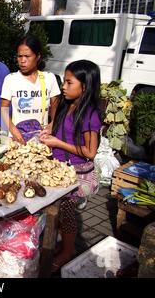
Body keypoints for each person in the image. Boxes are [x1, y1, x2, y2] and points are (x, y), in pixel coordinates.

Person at [39, 60, 102, 272]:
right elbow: (56, 126)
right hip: (59, 168)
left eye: (68, 82)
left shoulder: (89, 113)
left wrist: (58, 143)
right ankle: (57, 243)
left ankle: (68, 251)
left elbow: (90, 152)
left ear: (84, 86)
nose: (63, 87)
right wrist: (49, 132)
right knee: (54, 211)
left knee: (66, 212)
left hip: (76, 174)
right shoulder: (67, 104)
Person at [0, 35, 60, 144]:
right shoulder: (11, 79)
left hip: (42, 138)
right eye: (19, 56)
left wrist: (52, 125)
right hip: (18, 139)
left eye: (27, 56)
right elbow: (3, 110)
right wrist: (14, 131)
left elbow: (55, 108)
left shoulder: (49, 78)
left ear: (37, 57)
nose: (22, 60)